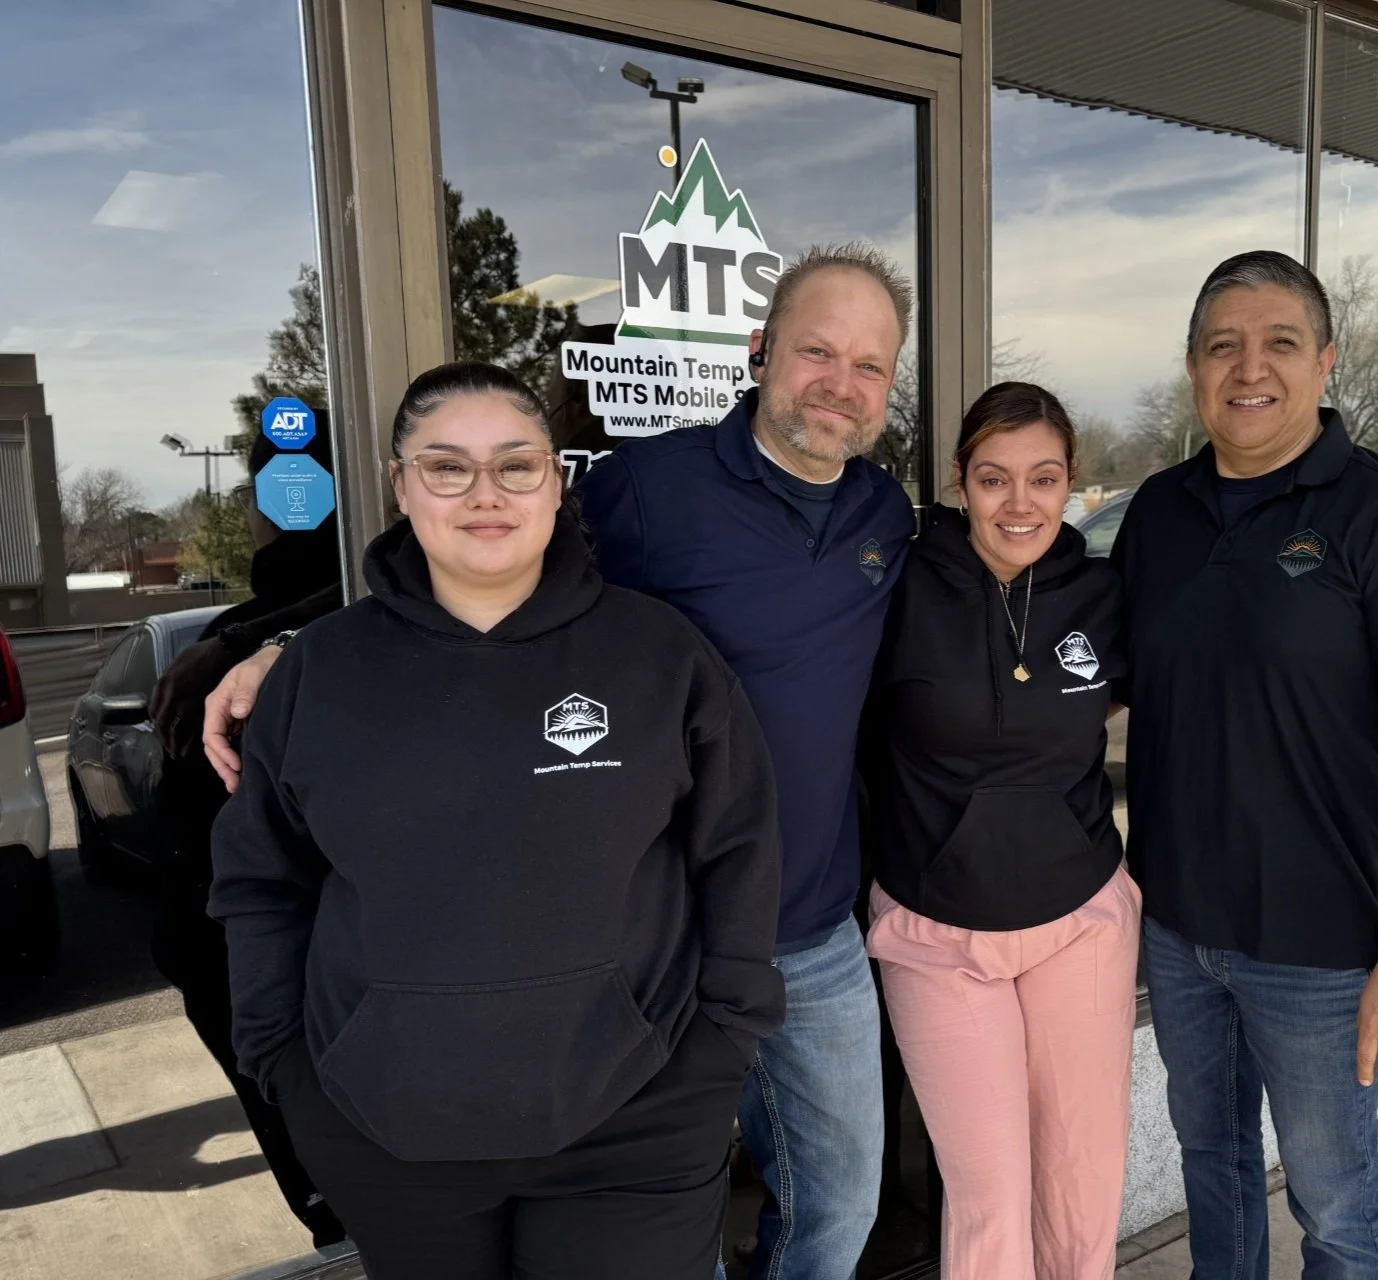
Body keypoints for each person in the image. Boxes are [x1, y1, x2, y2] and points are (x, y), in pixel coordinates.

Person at [202, 245, 919, 1279]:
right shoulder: (650, 487)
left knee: (841, 1199)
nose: (840, 385)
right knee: (672, 1229)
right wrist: (295, 644)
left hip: (810, 927)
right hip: (662, 937)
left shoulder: (882, 517)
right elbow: (482, 554)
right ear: (761, 351)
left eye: (870, 366)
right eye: (817, 350)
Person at [1110, 250, 1378, 1279]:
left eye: (1280, 342)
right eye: (1222, 346)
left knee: (1335, 1203)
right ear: (1194, 367)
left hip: (1327, 951)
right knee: (1215, 1163)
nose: (1251, 367)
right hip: (1181, 931)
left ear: (1325, 361)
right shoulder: (1156, 514)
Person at [862, 382, 1139, 1279]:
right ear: (957, 481)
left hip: (1078, 920)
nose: (1018, 503)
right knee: (988, 1200)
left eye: (1043, 478)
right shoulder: (898, 589)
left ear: (1072, 486)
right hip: (937, 928)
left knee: (1081, 1178)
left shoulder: (1101, 593)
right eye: (993, 479)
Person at [149, 428, 346, 1248]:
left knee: (345, 1209)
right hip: (285, 986)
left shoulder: (237, 664)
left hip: (302, 994)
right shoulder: (249, 648)